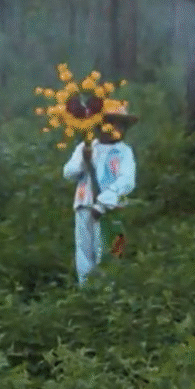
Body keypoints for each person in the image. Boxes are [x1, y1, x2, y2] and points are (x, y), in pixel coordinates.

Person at [62, 104, 137, 285]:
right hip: (84, 205)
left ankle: (109, 292)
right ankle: (86, 291)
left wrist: (103, 203)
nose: (115, 129)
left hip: (113, 209)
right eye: (111, 124)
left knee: (112, 249)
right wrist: (84, 160)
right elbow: (68, 172)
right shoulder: (85, 147)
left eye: (121, 125)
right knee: (85, 251)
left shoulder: (124, 152)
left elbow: (127, 181)